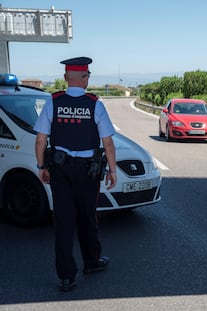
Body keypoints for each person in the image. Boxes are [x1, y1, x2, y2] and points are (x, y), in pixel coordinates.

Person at [34, 57, 117, 292]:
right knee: (88, 216)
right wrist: (112, 170)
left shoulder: (53, 102)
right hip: (87, 171)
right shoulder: (95, 104)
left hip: (60, 169)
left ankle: (66, 277)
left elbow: (40, 140)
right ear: (84, 78)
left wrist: (42, 167)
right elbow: (108, 143)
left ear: (65, 78)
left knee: (63, 222)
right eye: (88, 75)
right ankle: (91, 262)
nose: (88, 78)